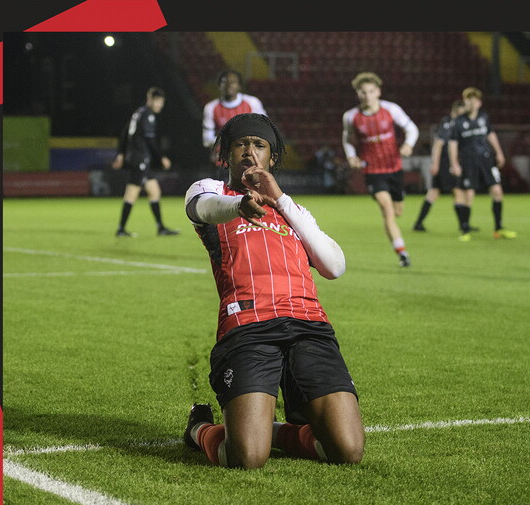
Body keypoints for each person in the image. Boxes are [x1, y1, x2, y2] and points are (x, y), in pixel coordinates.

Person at [182, 113, 364, 470]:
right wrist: (239, 205)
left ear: (273, 158)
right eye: (240, 145)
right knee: (247, 457)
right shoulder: (212, 192)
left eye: (259, 145)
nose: (250, 152)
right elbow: (201, 208)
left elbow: (334, 266)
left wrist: (279, 199)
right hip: (248, 328)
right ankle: (199, 428)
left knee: (346, 450)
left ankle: (275, 430)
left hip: (309, 326)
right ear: (226, 155)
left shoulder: (293, 211)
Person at [341, 71, 419, 267]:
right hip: (373, 171)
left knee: (398, 210)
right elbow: (348, 139)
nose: (367, 95)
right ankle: (402, 252)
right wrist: (351, 156)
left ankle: (398, 208)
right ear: (358, 94)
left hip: (394, 168)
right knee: (387, 209)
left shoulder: (391, 109)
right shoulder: (351, 116)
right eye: (363, 92)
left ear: (378, 92)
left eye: (371, 91)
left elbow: (412, 128)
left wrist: (408, 144)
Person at [448, 87, 516, 240]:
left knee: (497, 191)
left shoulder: (484, 117)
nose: (469, 103)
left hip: (486, 160)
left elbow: (491, 134)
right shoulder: (458, 122)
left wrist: (499, 152)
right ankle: (465, 229)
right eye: (467, 100)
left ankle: (499, 228)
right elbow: (452, 144)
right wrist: (454, 164)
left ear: (479, 103)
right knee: (468, 194)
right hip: (468, 161)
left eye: (472, 100)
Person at [112, 86, 179, 237]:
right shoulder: (148, 115)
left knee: (154, 191)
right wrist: (161, 157)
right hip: (140, 159)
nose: (159, 105)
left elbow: (124, 133)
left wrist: (121, 154)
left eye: (161, 102)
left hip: (139, 159)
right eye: (157, 102)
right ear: (149, 100)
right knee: (131, 194)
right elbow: (149, 140)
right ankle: (121, 229)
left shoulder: (138, 113)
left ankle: (161, 227)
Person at [413, 99, 469, 232]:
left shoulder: (456, 123)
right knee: (457, 191)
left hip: (448, 161)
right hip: (446, 162)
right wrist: (436, 164)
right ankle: (464, 226)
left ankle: (419, 223)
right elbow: (438, 144)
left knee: (434, 192)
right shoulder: (449, 123)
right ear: (455, 111)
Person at [202, 69, 267, 172]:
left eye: (233, 82)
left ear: (239, 86)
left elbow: (265, 130)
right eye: (225, 82)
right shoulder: (211, 107)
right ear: (219, 85)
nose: (229, 85)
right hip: (222, 163)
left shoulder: (252, 103)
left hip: (250, 161)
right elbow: (206, 140)